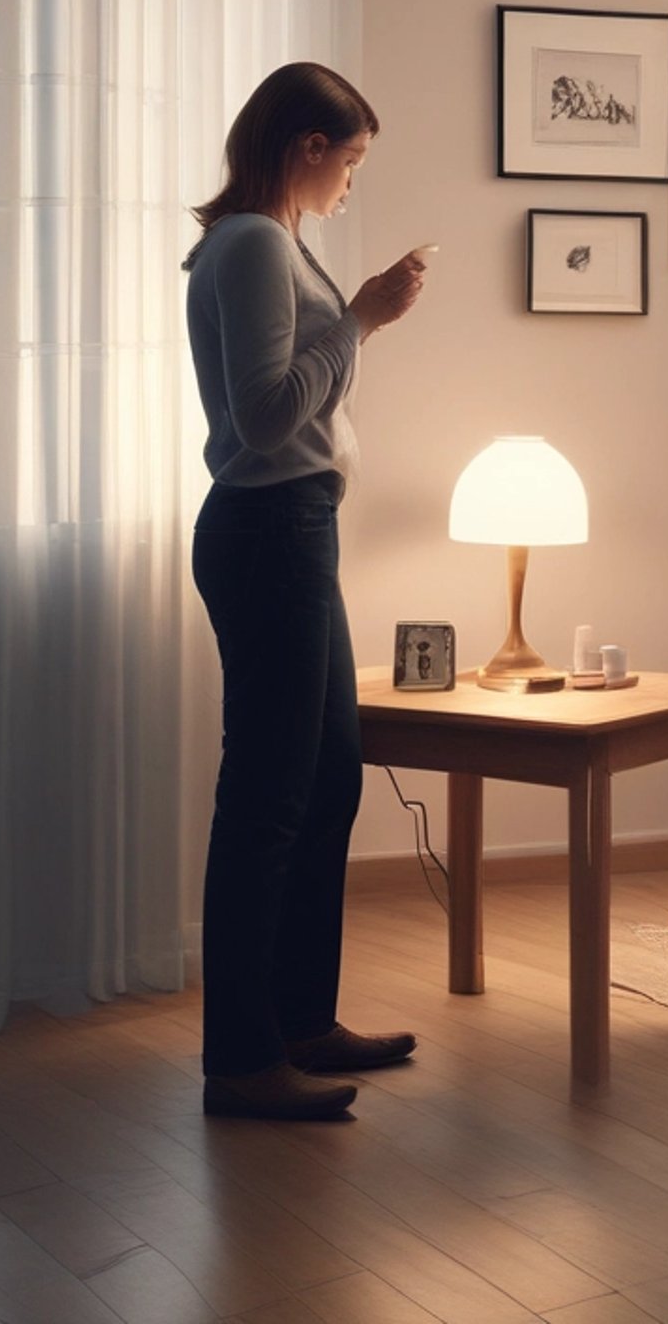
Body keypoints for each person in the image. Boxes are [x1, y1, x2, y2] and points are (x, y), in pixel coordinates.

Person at [183, 62, 427, 1119]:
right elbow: (271, 416)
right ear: (305, 148)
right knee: (269, 801)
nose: (349, 182)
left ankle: (298, 1019)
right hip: (270, 531)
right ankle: (242, 1060)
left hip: (297, 532)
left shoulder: (276, 244)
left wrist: (356, 314)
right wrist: (363, 317)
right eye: (350, 159)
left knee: (328, 780)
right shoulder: (251, 246)